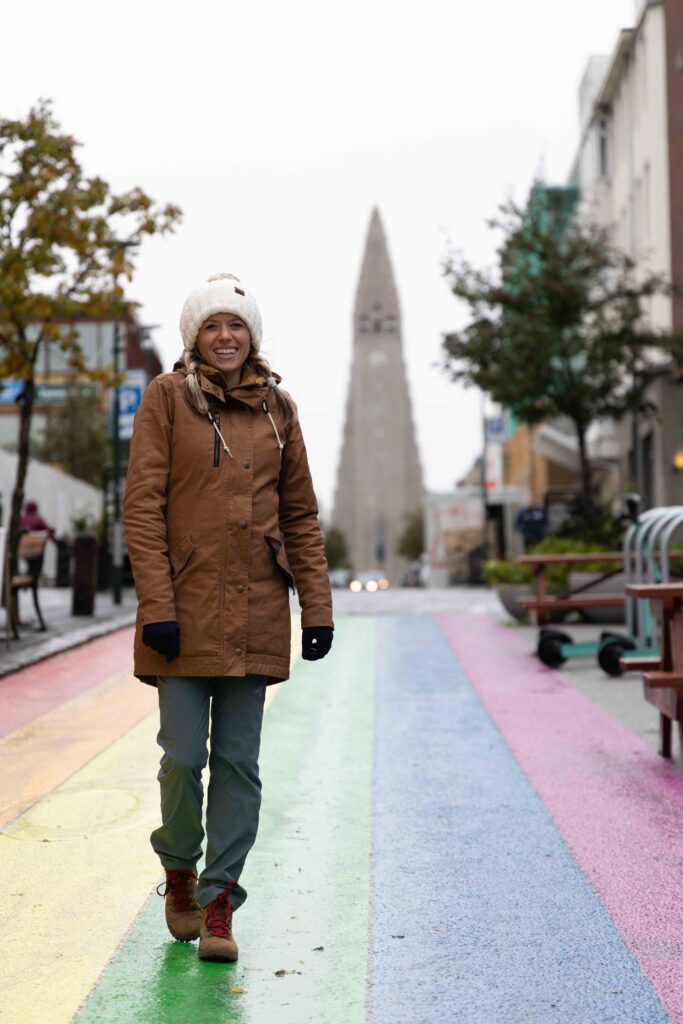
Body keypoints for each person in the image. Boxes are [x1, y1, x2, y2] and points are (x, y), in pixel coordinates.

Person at [123, 273, 334, 962]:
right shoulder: (164, 400)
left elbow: (300, 516)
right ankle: (179, 870)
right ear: (193, 335)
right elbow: (142, 507)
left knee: (238, 764)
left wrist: (316, 608)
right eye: (212, 325)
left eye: (236, 326)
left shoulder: (279, 409)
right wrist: (157, 607)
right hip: (178, 617)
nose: (224, 336)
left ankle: (219, 902)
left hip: (257, 612)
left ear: (252, 337)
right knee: (182, 760)